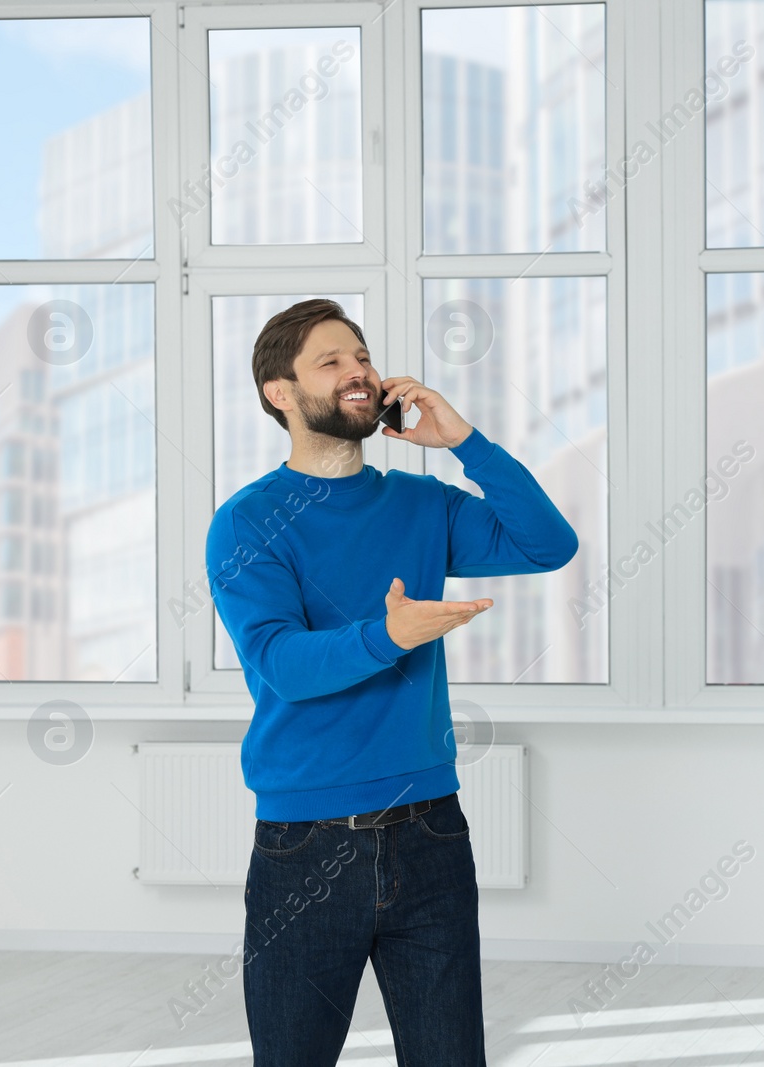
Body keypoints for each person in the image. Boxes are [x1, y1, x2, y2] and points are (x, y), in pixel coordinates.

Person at [205, 298, 577, 1066]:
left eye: (363, 357)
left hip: (431, 832)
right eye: (331, 361)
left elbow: (549, 545)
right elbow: (281, 663)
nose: (359, 373)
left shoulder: (421, 502)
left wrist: (465, 443)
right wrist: (391, 634)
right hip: (305, 844)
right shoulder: (248, 521)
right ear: (280, 392)